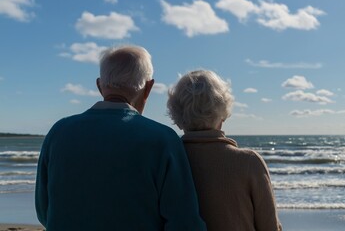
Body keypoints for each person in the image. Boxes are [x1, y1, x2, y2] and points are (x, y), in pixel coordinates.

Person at [35, 45, 207, 231]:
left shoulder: (58, 133)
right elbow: (184, 222)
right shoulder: (162, 139)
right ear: (148, 88)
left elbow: (44, 211)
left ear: (100, 85)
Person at [167, 70, 282, 231]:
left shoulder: (165, 160)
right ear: (223, 113)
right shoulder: (249, 162)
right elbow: (269, 227)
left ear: (177, 118)